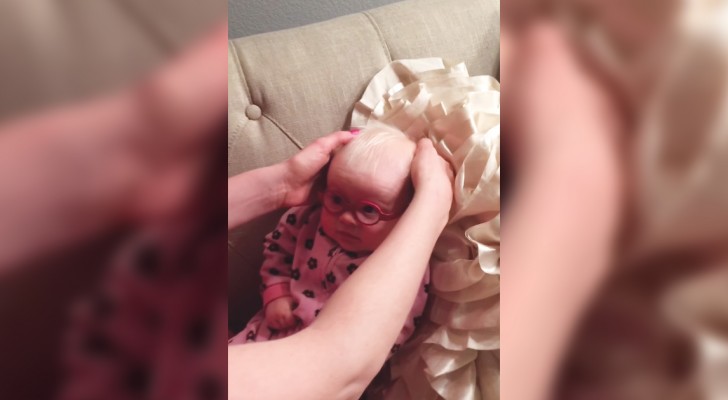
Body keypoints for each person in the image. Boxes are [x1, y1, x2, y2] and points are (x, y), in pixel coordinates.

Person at [227, 129, 454, 400]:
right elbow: (278, 250)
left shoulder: (399, 268)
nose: (346, 218)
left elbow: (390, 332)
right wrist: (276, 292)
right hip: (261, 338)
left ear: (404, 214)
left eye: (369, 209)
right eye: (336, 199)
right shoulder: (306, 220)